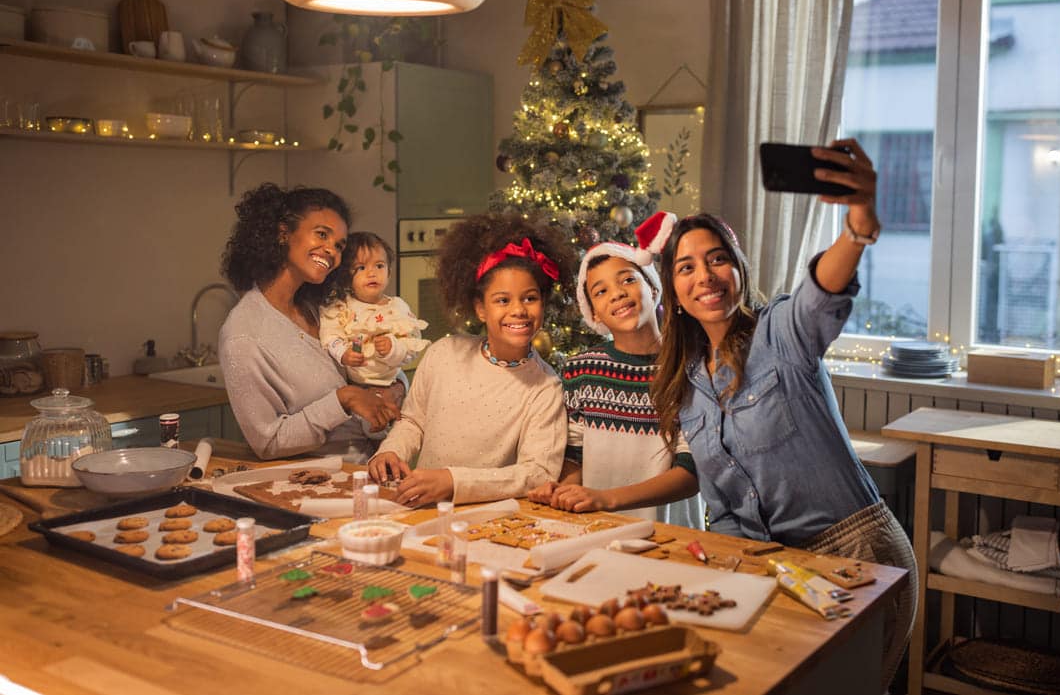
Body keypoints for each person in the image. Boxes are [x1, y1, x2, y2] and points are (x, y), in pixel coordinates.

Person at [649, 140, 917, 692]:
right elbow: (721, 504)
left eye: (717, 258)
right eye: (686, 267)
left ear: (738, 269)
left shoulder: (783, 334)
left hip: (853, 554)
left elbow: (823, 291)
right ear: (673, 292)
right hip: (762, 563)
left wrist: (858, 225)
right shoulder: (686, 386)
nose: (705, 276)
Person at [367, 214, 573, 506]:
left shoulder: (545, 386)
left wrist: (454, 482)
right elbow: (413, 421)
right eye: (503, 300)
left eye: (530, 298)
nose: (519, 310)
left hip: (488, 520)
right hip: (421, 506)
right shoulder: (443, 354)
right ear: (480, 309)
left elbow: (538, 473)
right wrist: (391, 451)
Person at [527, 220, 702, 525]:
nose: (617, 294)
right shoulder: (581, 370)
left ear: (652, 287)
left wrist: (607, 498)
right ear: (593, 312)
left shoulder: (692, 367)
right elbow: (576, 458)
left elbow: (691, 472)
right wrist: (563, 490)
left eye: (628, 280)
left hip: (671, 534)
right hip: (599, 526)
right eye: (601, 291)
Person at [218, 183, 400, 461]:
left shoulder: (323, 309)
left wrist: (396, 386)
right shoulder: (243, 336)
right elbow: (268, 443)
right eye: (322, 234)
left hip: (372, 469)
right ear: (283, 233)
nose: (331, 251)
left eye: (339, 245)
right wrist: (343, 399)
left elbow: (375, 363)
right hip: (313, 487)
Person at [319, 231, 429, 409]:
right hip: (352, 385)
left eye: (379, 266)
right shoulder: (341, 307)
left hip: (390, 383)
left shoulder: (397, 308)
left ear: (389, 272)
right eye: (361, 268)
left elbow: (413, 343)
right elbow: (330, 334)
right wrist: (343, 353)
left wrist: (393, 348)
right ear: (347, 276)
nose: (372, 273)